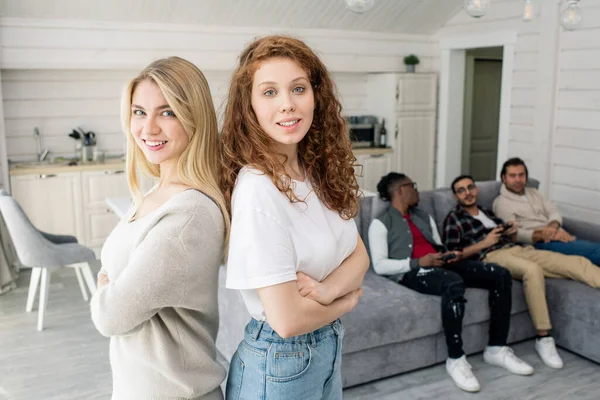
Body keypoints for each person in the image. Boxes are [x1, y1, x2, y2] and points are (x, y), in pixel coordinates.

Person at [220, 35, 370, 400]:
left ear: (316, 96)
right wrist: (344, 303)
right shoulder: (258, 188)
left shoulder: (315, 171)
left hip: (324, 347)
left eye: (298, 88)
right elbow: (286, 321)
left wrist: (327, 290)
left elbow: (360, 255)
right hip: (279, 362)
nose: (288, 105)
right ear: (249, 106)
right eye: (269, 92)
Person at [90, 57, 229, 400]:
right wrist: (112, 287)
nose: (148, 128)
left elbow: (110, 317)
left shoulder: (189, 216)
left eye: (167, 112)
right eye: (139, 112)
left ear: (195, 118)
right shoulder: (158, 192)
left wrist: (105, 289)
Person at [368, 173, 532, 393]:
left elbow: (438, 245)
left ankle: (496, 348)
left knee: (500, 274)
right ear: (400, 191)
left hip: (441, 263)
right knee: (453, 283)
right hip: (413, 272)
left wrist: (449, 254)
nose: (417, 191)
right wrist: (418, 262)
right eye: (413, 186)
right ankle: (455, 358)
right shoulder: (380, 224)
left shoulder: (423, 216)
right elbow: (379, 265)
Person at [443, 175, 600, 371]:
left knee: (577, 262)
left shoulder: (487, 212)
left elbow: (512, 234)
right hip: (492, 256)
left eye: (470, 188)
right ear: (455, 195)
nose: (467, 193)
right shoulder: (454, 218)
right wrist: (485, 243)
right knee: (532, 271)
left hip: (519, 249)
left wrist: (511, 231)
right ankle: (544, 338)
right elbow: (453, 255)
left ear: (476, 189)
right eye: (461, 190)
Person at [493, 157, 600, 266]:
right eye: (512, 176)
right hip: (539, 243)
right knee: (595, 252)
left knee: (594, 250)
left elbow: (553, 211)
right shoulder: (502, 203)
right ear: (504, 178)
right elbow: (513, 235)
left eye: (521, 175)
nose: (518, 180)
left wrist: (552, 227)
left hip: (557, 234)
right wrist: (545, 235)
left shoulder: (534, 192)